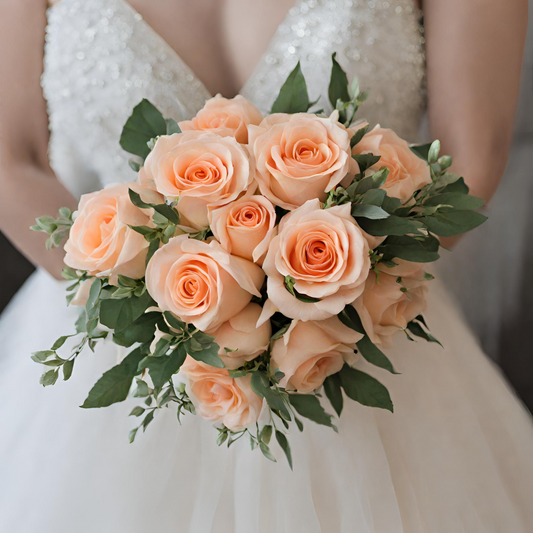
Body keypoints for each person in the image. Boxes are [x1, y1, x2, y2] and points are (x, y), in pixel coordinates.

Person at [0, 0, 530, 531]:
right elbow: (10, 159)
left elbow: (472, 156)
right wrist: (154, 295)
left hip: (351, 341)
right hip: (114, 351)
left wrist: (325, 297)